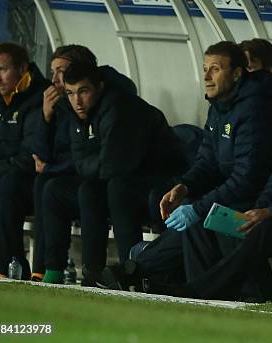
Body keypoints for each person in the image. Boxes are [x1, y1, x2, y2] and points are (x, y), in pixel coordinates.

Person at [106, 41, 272, 301]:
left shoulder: (256, 108)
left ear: (237, 74)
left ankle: (144, 268)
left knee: (213, 218)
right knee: (202, 214)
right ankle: (186, 290)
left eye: (214, 69)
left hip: (262, 200)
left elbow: (248, 178)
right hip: (239, 196)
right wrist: (185, 186)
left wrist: (199, 208)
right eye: (205, 69)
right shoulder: (220, 105)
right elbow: (207, 160)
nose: (206, 76)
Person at [41, 61, 185, 285]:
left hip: (162, 179)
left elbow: (114, 165)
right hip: (121, 176)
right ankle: (88, 274)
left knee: (116, 189)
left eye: (83, 91)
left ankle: (133, 271)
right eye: (70, 93)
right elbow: (81, 161)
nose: (76, 101)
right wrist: (95, 163)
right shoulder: (76, 110)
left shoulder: (118, 107)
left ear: (99, 86)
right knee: (62, 188)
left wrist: (93, 163)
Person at [33, 45, 137, 283]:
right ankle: (49, 270)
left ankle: (96, 274)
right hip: (87, 171)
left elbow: (102, 158)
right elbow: (42, 152)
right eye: (53, 72)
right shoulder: (64, 101)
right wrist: (46, 118)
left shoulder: (110, 101)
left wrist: (51, 168)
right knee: (48, 187)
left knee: (90, 191)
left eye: (61, 71)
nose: (55, 79)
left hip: (121, 176)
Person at [0, 42, 48, 278]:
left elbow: (27, 158)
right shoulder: (9, 99)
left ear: (22, 68)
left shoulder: (36, 98)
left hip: (31, 181)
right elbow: (1, 151)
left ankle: (6, 267)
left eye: (2, 70)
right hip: (11, 177)